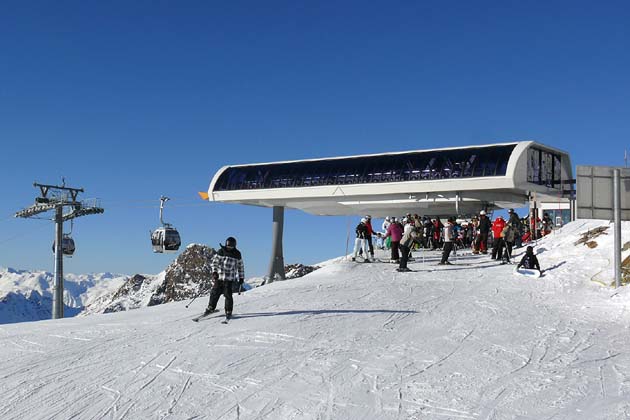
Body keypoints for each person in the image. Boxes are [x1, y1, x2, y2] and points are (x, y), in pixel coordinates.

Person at [205, 236, 245, 319]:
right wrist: (215, 272)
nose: (229, 248)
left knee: (228, 295)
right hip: (219, 277)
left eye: (231, 247)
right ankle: (211, 308)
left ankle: (228, 311)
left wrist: (241, 278)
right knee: (214, 293)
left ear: (234, 246)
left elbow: (240, 267)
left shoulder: (237, 254)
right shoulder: (221, 251)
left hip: (229, 279)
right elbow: (215, 263)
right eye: (228, 246)